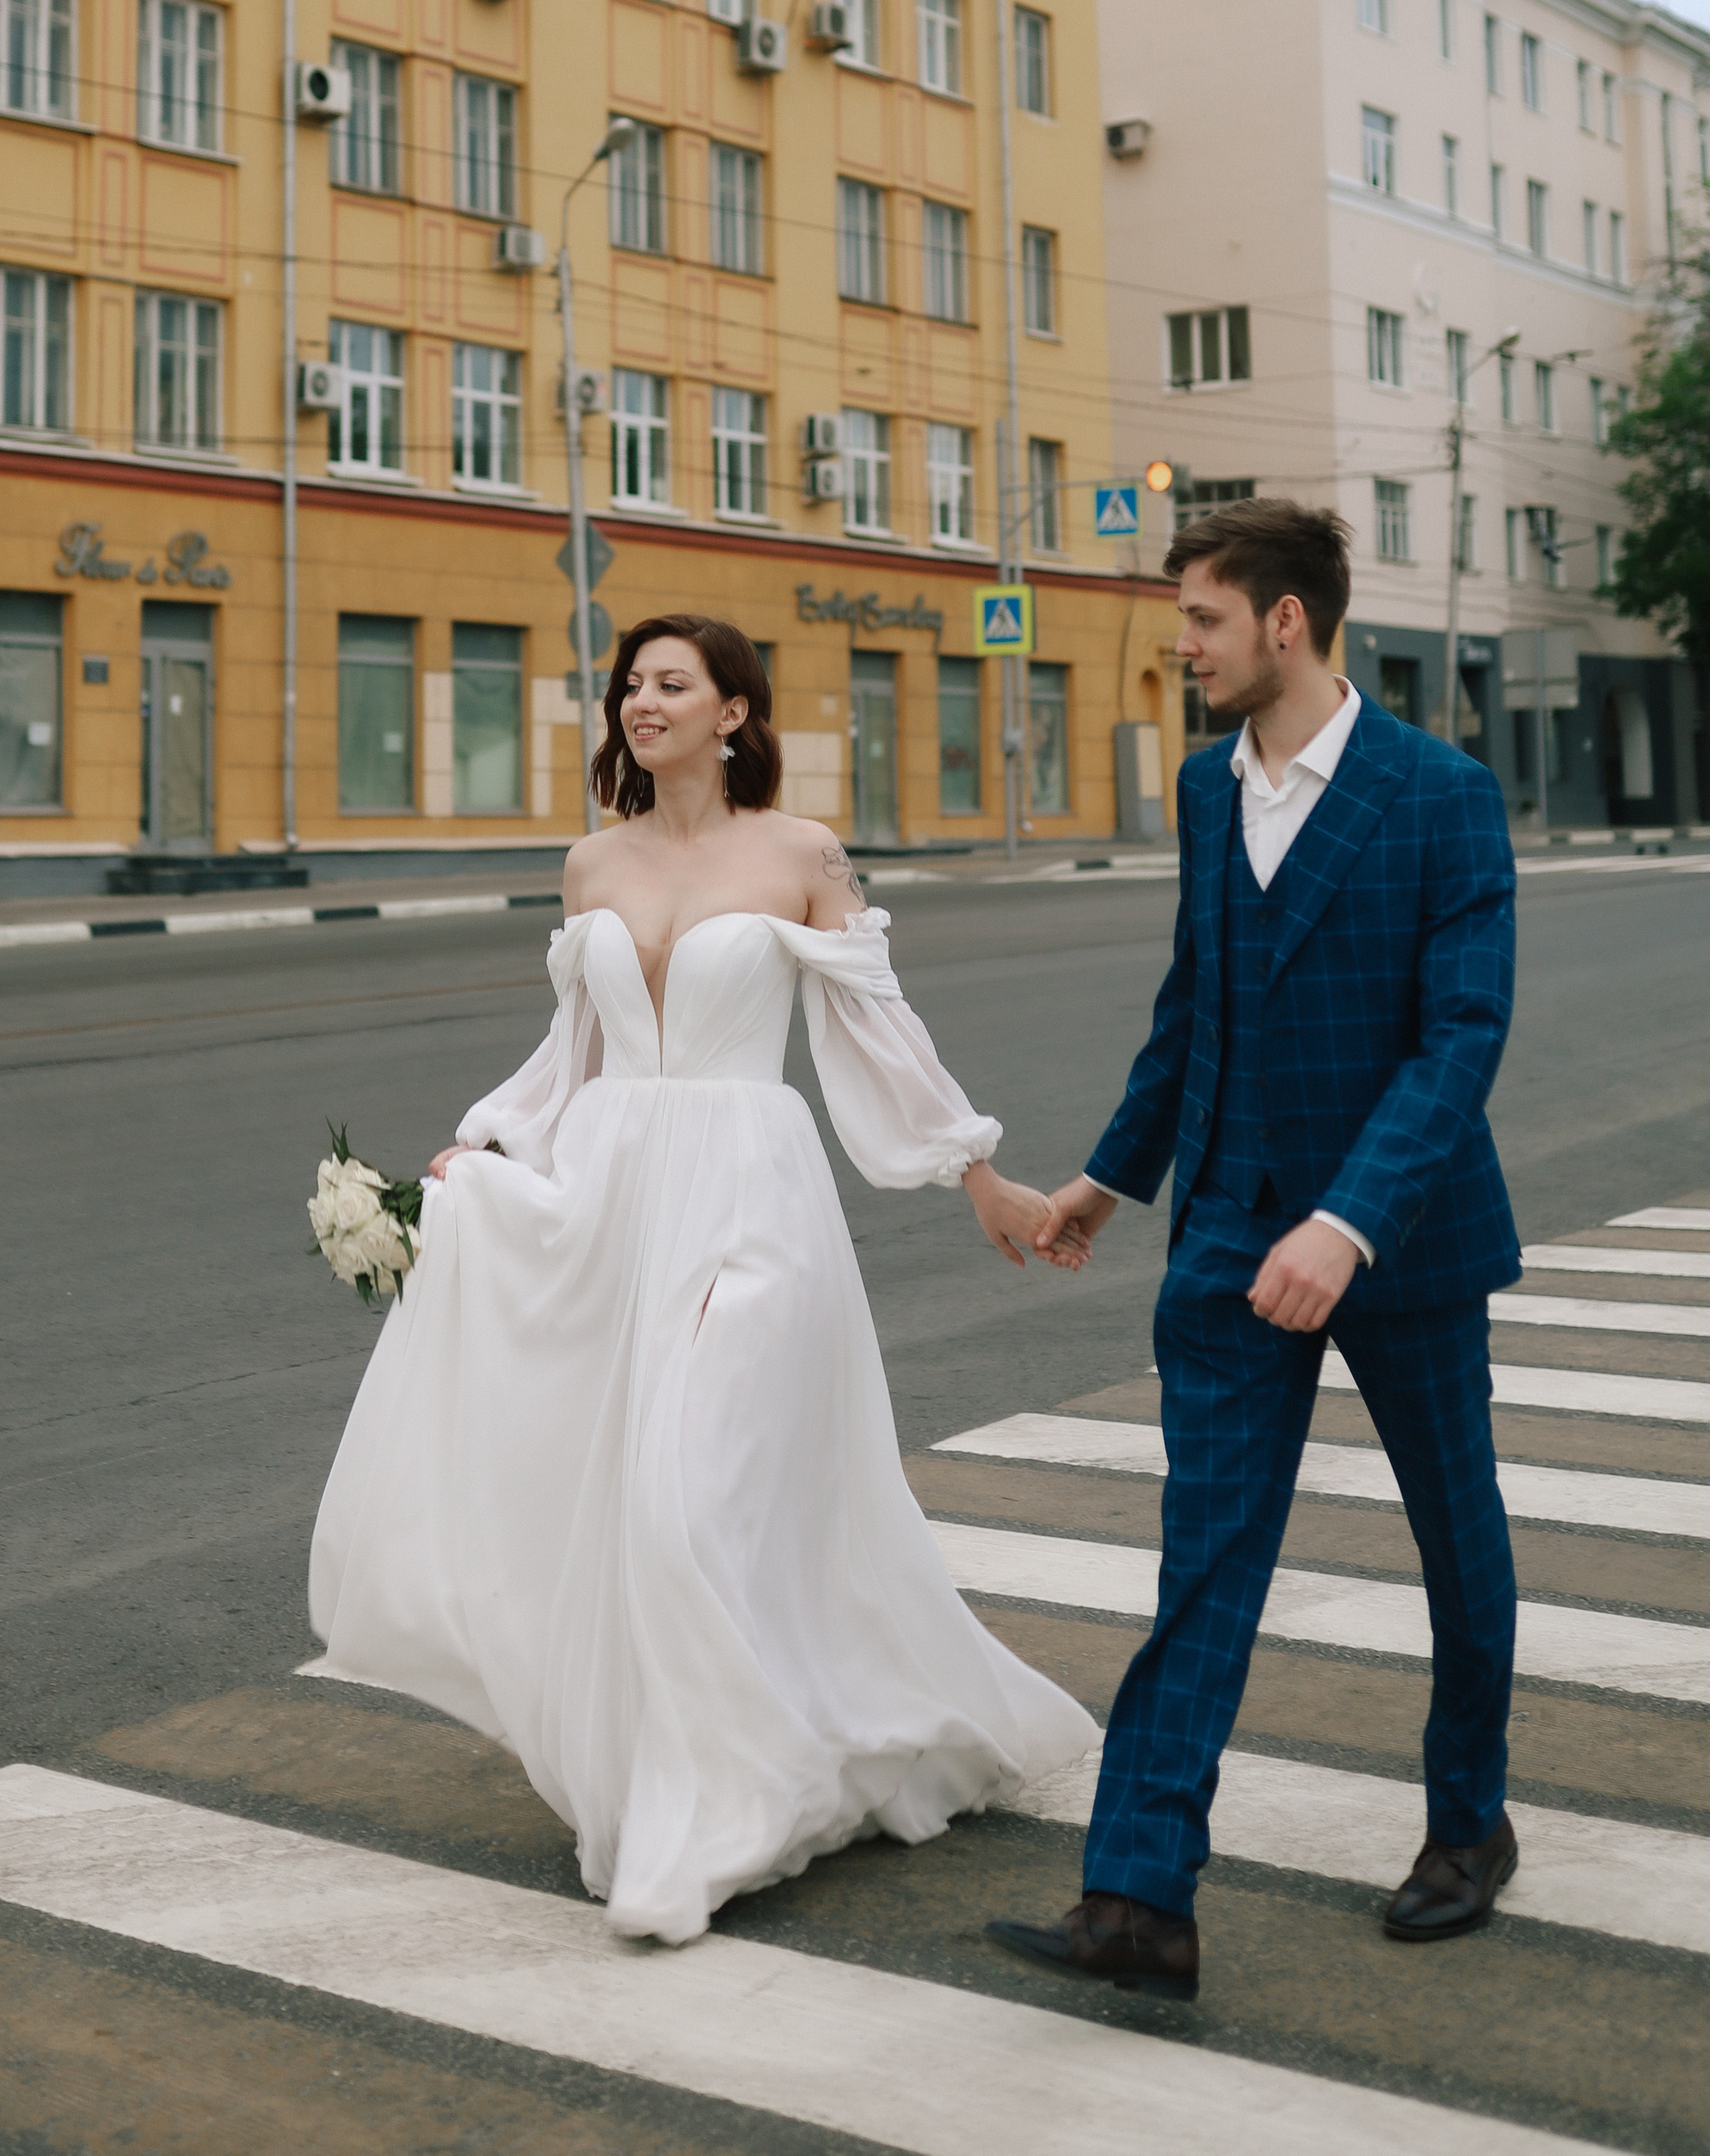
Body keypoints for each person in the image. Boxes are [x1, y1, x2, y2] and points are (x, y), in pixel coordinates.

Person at [311, 610, 1098, 1946]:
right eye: (630, 685)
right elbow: (578, 1052)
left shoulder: (801, 852)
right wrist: (488, 1145)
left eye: (672, 683)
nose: (641, 702)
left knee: (696, 1492)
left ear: (736, 711)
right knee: (637, 1503)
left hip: (752, 1192)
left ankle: (715, 1814)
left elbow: (876, 1028)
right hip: (615, 1199)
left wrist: (978, 1172)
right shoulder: (590, 863)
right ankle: (697, 1788)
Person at [988, 500, 1522, 2005]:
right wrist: (1111, 1176)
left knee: (1453, 1535)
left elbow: (1461, 1036)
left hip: (1398, 1240)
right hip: (1227, 1231)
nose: (1184, 645)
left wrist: (1348, 1223)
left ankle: (1470, 1821)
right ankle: (1140, 1896)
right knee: (1203, 1557)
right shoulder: (1205, 785)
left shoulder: (1440, 793)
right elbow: (1196, 1004)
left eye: (1205, 620)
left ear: (1285, 622)